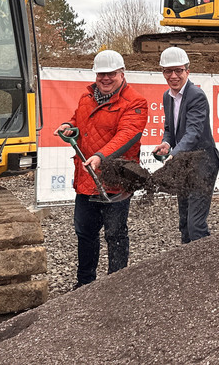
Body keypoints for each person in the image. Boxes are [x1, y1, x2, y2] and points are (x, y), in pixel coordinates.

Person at [56, 49, 148, 288]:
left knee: (115, 235)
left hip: (115, 181)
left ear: (122, 73)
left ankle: (115, 286)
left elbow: (128, 134)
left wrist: (100, 156)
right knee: (85, 234)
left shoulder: (135, 102)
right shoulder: (87, 98)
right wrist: (69, 125)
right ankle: (85, 284)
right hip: (86, 181)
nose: (105, 79)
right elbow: (79, 119)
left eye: (111, 74)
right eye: (101, 75)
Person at [152, 47, 219, 243]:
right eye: (168, 71)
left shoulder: (196, 96)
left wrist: (175, 153)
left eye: (178, 71)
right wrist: (166, 143)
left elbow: (193, 132)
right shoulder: (168, 96)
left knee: (195, 224)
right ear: (163, 73)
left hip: (203, 163)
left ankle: (206, 265)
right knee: (184, 222)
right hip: (184, 164)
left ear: (187, 71)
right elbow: (169, 128)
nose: (173, 76)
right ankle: (186, 268)